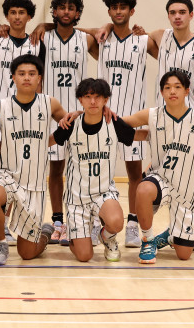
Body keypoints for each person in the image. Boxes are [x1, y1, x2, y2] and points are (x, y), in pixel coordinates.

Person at [0, 0, 45, 247]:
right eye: (12, 13)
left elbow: (40, 82)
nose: (17, 17)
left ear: (29, 17)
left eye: (21, 13)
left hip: (22, 116)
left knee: (16, 169)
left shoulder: (37, 44)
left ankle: (7, 223)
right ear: (6, 16)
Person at [0, 55, 68, 265]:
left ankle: (45, 233)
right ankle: (0, 243)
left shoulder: (50, 103)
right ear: (13, 77)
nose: (27, 78)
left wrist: (47, 142)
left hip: (34, 183)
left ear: (39, 78)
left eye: (32, 74)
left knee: (27, 253)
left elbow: (69, 125)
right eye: (21, 74)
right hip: (6, 175)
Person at [122, 70, 194, 264]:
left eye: (177, 87)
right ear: (161, 92)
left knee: (184, 255)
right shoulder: (153, 115)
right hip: (162, 179)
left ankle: (170, 235)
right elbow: (123, 122)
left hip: (187, 187)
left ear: (187, 91)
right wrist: (98, 113)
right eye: (167, 87)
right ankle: (148, 241)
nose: (172, 91)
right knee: (143, 189)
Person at [49, 78, 138, 262]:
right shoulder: (71, 124)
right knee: (84, 256)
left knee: (116, 222)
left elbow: (138, 135)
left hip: (103, 192)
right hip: (76, 198)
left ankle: (107, 237)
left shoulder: (113, 123)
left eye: (97, 97)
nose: (92, 101)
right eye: (88, 97)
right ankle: (75, 236)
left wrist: (165, 136)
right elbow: (49, 141)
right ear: (80, 99)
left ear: (106, 99)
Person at [41, 0, 99, 246]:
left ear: (77, 13)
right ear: (54, 11)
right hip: (52, 112)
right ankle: (57, 221)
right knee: (55, 169)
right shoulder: (43, 38)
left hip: (80, 113)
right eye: (61, 7)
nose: (66, 11)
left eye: (71, 8)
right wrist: (43, 25)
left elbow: (105, 43)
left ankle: (86, 220)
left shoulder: (86, 39)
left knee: (82, 169)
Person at [94, 0, 148, 248]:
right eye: (114, 7)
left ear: (131, 11)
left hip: (132, 117)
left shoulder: (144, 40)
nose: (118, 11)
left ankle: (133, 224)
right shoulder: (100, 39)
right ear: (109, 12)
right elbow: (71, 28)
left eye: (123, 7)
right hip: (103, 116)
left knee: (134, 172)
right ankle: (98, 222)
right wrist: (103, 27)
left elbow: (170, 41)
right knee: (98, 171)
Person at [129, 0, 194, 109]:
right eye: (172, 13)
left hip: (190, 113)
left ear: (191, 15)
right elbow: (140, 35)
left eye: (182, 12)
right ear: (168, 16)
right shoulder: (160, 35)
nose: (177, 16)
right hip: (162, 112)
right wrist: (109, 26)